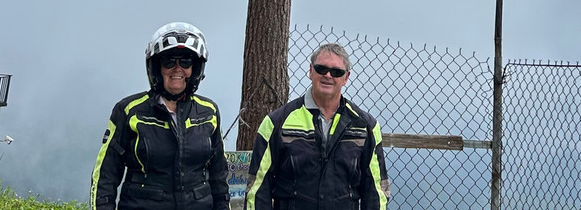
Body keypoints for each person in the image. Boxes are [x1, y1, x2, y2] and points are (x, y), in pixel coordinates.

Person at [91, 22, 229, 210]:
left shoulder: (209, 111)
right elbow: (105, 176)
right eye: (169, 61)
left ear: (195, 69)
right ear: (156, 67)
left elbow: (219, 177)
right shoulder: (129, 110)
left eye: (186, 62)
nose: (177, 69)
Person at [245, 43, 389, 210]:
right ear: (311, 71)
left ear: (346, 78)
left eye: (336, 72)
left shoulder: (366, 127)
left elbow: (376, 192)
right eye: (321, 69)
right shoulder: (276, 123)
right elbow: (258, 189)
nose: (328, 75)